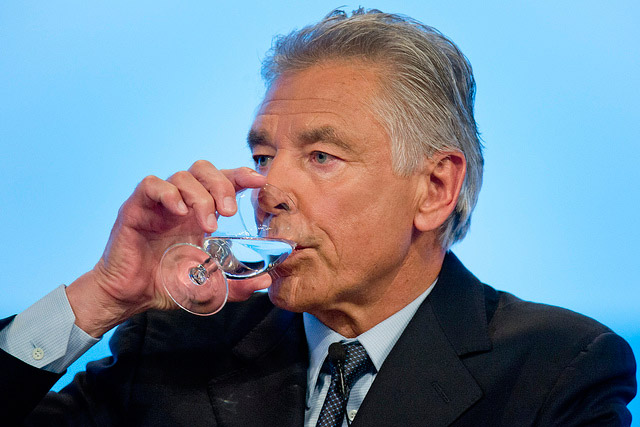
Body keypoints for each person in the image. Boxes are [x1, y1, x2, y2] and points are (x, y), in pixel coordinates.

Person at [0, 8, 636, 426]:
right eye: (263, 156)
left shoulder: (556, 371)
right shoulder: (179, 344)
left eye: (322, 156)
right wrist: (102, 298)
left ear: (435, 188)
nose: (268, 189)